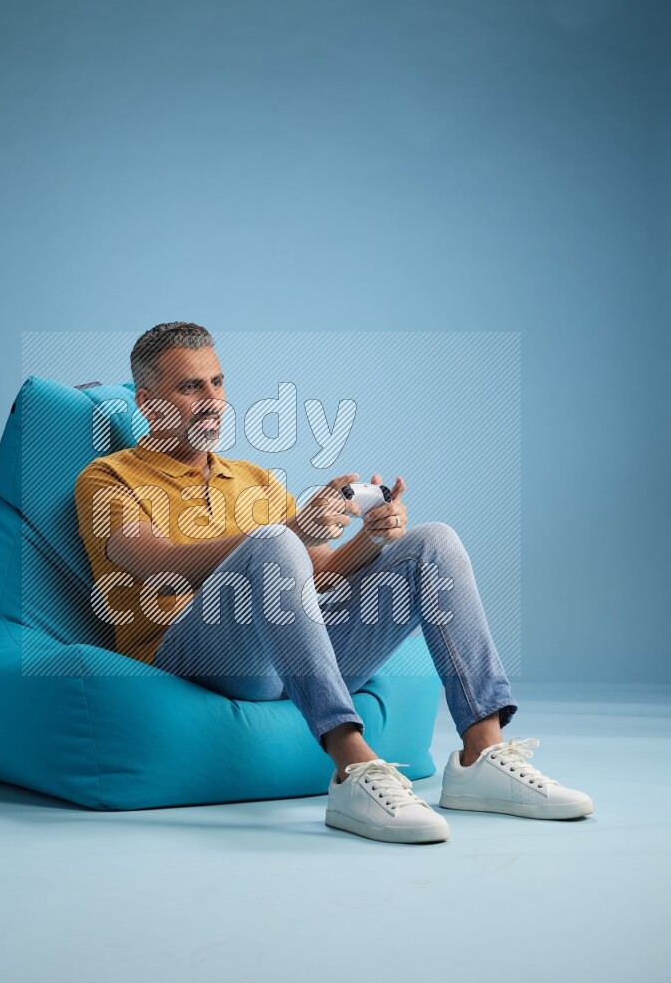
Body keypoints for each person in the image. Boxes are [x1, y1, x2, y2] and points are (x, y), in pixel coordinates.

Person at [75, 321, 593, 844]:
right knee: (275, 541)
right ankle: (352, 770)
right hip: (194, 658)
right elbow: (153, 560)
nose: (212, 399)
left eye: (217, 382)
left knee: (432, 542)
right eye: (191, 387)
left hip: (289, 657)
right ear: (146, 401)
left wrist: (371, 536)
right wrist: (289, 531)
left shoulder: (254, 479)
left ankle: (481, 752)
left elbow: (320, 575)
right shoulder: (107, 477)